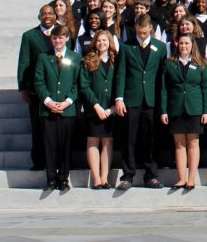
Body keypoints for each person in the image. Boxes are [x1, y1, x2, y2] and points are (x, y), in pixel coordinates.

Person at [114, 14, 167, 190]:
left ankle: (151, 175)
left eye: (145, 32)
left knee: (151, 138)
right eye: (139, 32)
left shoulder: (160, 47)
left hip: (151, 100)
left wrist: (162, 102)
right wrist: (119, 98)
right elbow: (121, 73)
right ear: (135, 29)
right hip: (131, 98)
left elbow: (161, 76)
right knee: (129, 138)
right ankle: (128, 175)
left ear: (151, 28)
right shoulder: (127, 46)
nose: (142, 35)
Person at [160, 33, 207, 190]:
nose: (183, 46)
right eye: (181, 43)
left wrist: (206, 111)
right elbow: (164, 89)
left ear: (192, 45)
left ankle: (191, 179)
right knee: (179, 144)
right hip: (176, 109)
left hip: (194, 108)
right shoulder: (169, 64)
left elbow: (206, 89)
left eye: (186, 43)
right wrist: (163, 110)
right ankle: (181, 178)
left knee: (193, 142)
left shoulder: (201, 63)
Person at [35, 25, 81, 191]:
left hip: (67, 109)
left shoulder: (75, 58)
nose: (58, 41)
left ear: (67, 38)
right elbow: (39, 82)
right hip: (48, 109)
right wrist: (48, 101)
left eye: (61, 38)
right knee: (50, 145)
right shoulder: (43, 57)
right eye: (55, 38)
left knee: (66, 145)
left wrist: (67, 101)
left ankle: (63, 178)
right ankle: (51, 180)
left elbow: (77, 83)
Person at [17, 4, 56, 171]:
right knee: (38, 127)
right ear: (39, 16)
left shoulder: (62, 33)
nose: (47, 16)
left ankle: (58, 161)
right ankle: (39, 160)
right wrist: (23, 87)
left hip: (58, 88)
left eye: (50, 13)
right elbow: (24, 62)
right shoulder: (29, 36)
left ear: (55, 16)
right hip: (37, 90)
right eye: (44, 14)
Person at [79, 30, 118, 189]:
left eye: (105, 40)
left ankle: (105, 178)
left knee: (108, 142)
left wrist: (112, 108)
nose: (102, 43)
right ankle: (96, 178)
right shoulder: (87, 60)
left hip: (111, 109)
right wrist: (96, 105)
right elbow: (84, 85)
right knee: (93, 141)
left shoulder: (117, 60)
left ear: (110, 42)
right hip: (94, 108)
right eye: (99, 40)